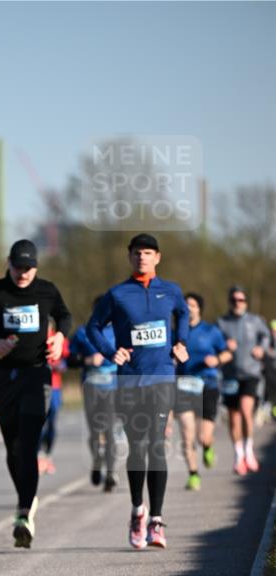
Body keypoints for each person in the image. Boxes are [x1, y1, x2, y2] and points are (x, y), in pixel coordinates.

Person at [0, 239, 71, 547]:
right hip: (3, 376)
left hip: (37, 374)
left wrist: (60, 337)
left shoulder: (47, 290)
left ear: (36, 267)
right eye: (18, 267)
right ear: (8, 264)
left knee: (28, 443)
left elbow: (64, 316)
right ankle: (25, 500)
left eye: (28, 268)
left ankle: (25, 512)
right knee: (13, 447)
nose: (23, 273)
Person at [86, 234, 189, 550]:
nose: (142, 257)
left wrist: (181, 341)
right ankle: (137, 511)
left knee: (156, 444)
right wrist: (110, 352)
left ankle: (156, 520)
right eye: (136, 253)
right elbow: (92, 327)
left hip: (161, 376)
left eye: (147, 252)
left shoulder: (170, 291)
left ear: (157, 257)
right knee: (137, 447)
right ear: (129, 257)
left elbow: (184, 313)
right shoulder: (117, 294)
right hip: (130, 380)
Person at [174, 293, 232, 490]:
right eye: (185, 305)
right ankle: (193, 474)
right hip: (183, 386)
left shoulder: (211, 331)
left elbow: (226, 353)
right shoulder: (176, 333)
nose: (189, 308)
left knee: (203, 437)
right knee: (186, 434)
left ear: (199, 308)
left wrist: (217, 360)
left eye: (192, 305)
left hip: (207, 386)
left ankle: (207, 446)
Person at [217, 286, 271, 474]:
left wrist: (261, 348)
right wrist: (224, 345)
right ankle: (238, 455)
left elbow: (266, 335)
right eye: (234, 300)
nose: (237, 303)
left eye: (241, 300)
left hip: (251, 373)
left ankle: (249, 451)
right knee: (234, 417)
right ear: (229, 302)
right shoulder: (222, 323)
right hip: (230, 375)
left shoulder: (255, 320)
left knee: (246, 410)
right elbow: (214, 343)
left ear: (246, 302)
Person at [69, 303, 119, 491]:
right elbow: (70, 360)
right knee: (95, 432)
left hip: (113, 388)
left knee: (109, 430)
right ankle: (97, 461)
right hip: (90, 388)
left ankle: (111, 473)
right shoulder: (83, 332)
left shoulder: (119, 331)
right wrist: (87, 360)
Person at [38, 332, 70, 475]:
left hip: (55, 387)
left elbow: (66, 362)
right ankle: (39, 456)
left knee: (51, 424)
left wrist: (58, 365)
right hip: (37, 387)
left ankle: (48, 454)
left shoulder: (58, 338)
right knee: (38, 422)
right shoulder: (34, 335)